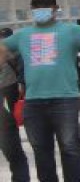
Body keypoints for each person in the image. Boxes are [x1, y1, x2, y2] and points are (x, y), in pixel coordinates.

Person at [0, 0, 80, 182]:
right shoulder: (23, 34)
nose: (40, 9)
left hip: (65, 100)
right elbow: (3, 49)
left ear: (55, 9)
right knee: (41, 151)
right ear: (32, 10)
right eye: (37, 6)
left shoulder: (71, 31)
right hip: (33, 103)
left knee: (70, 148)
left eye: (45, 5)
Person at [0, 27, 30, 182]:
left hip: (7, 91)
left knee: (11, 147)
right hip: (9, 90)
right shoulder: (15, 49)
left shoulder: (12, 49)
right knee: (12, 149)